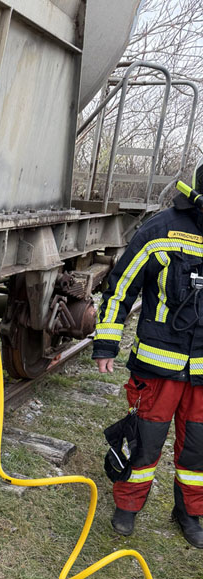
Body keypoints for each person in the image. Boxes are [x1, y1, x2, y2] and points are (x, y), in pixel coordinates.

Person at [92, 157, 203, 546]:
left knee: (197, 452)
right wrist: (106, 342)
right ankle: (127, 506)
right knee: (145, 441)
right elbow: (121, 288)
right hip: (158, 368)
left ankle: (190, 513)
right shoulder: (161, 229)